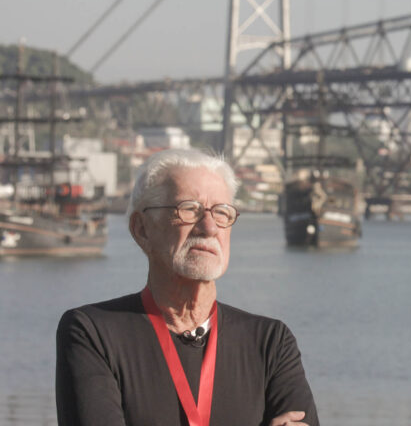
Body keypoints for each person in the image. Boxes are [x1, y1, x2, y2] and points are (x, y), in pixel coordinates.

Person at [56, 149, 319, 426]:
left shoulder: (270, 343)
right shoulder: (93, 333)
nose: (208, 227)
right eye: (189, 209)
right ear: (142, 229)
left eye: (221, 212)